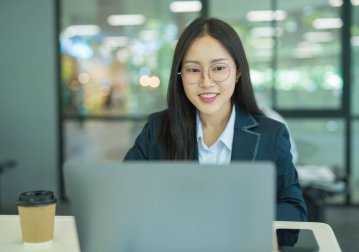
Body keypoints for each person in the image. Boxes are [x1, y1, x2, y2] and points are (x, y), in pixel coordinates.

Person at [124, 17, 307, 221]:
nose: (206, 82)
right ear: (180, 75)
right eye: (193, 70)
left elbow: (294, 210)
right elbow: (123, 194)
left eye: (218, 68)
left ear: (238, 72)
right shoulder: (156, 129)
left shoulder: (271, 135)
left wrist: (245, 219)